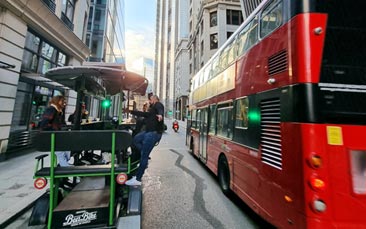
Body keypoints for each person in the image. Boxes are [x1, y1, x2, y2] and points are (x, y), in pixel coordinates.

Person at [126, 95, 164, 186]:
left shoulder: (158, 104)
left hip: (153, 134)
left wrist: (160, 115)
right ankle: (144, 153)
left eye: (150, 100)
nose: (149, 102)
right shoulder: (152, 111)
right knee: (135, 140)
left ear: (154, 99)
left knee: (144, 156)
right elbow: (144, 114)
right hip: (148, 132)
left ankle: (138, 179)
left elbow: (160, 109)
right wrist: (131, 111)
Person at [39, 95, 71, 167]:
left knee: (66, 152)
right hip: (52, 137)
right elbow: (43, 125)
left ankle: (63, 166)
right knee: (61, 154)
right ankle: (65, 168)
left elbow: (60, 124)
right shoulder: (51, 109)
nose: (64, 103)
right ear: (57, 101)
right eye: (62, 101)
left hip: (57, 137)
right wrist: (55, 130)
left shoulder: (58, 111)